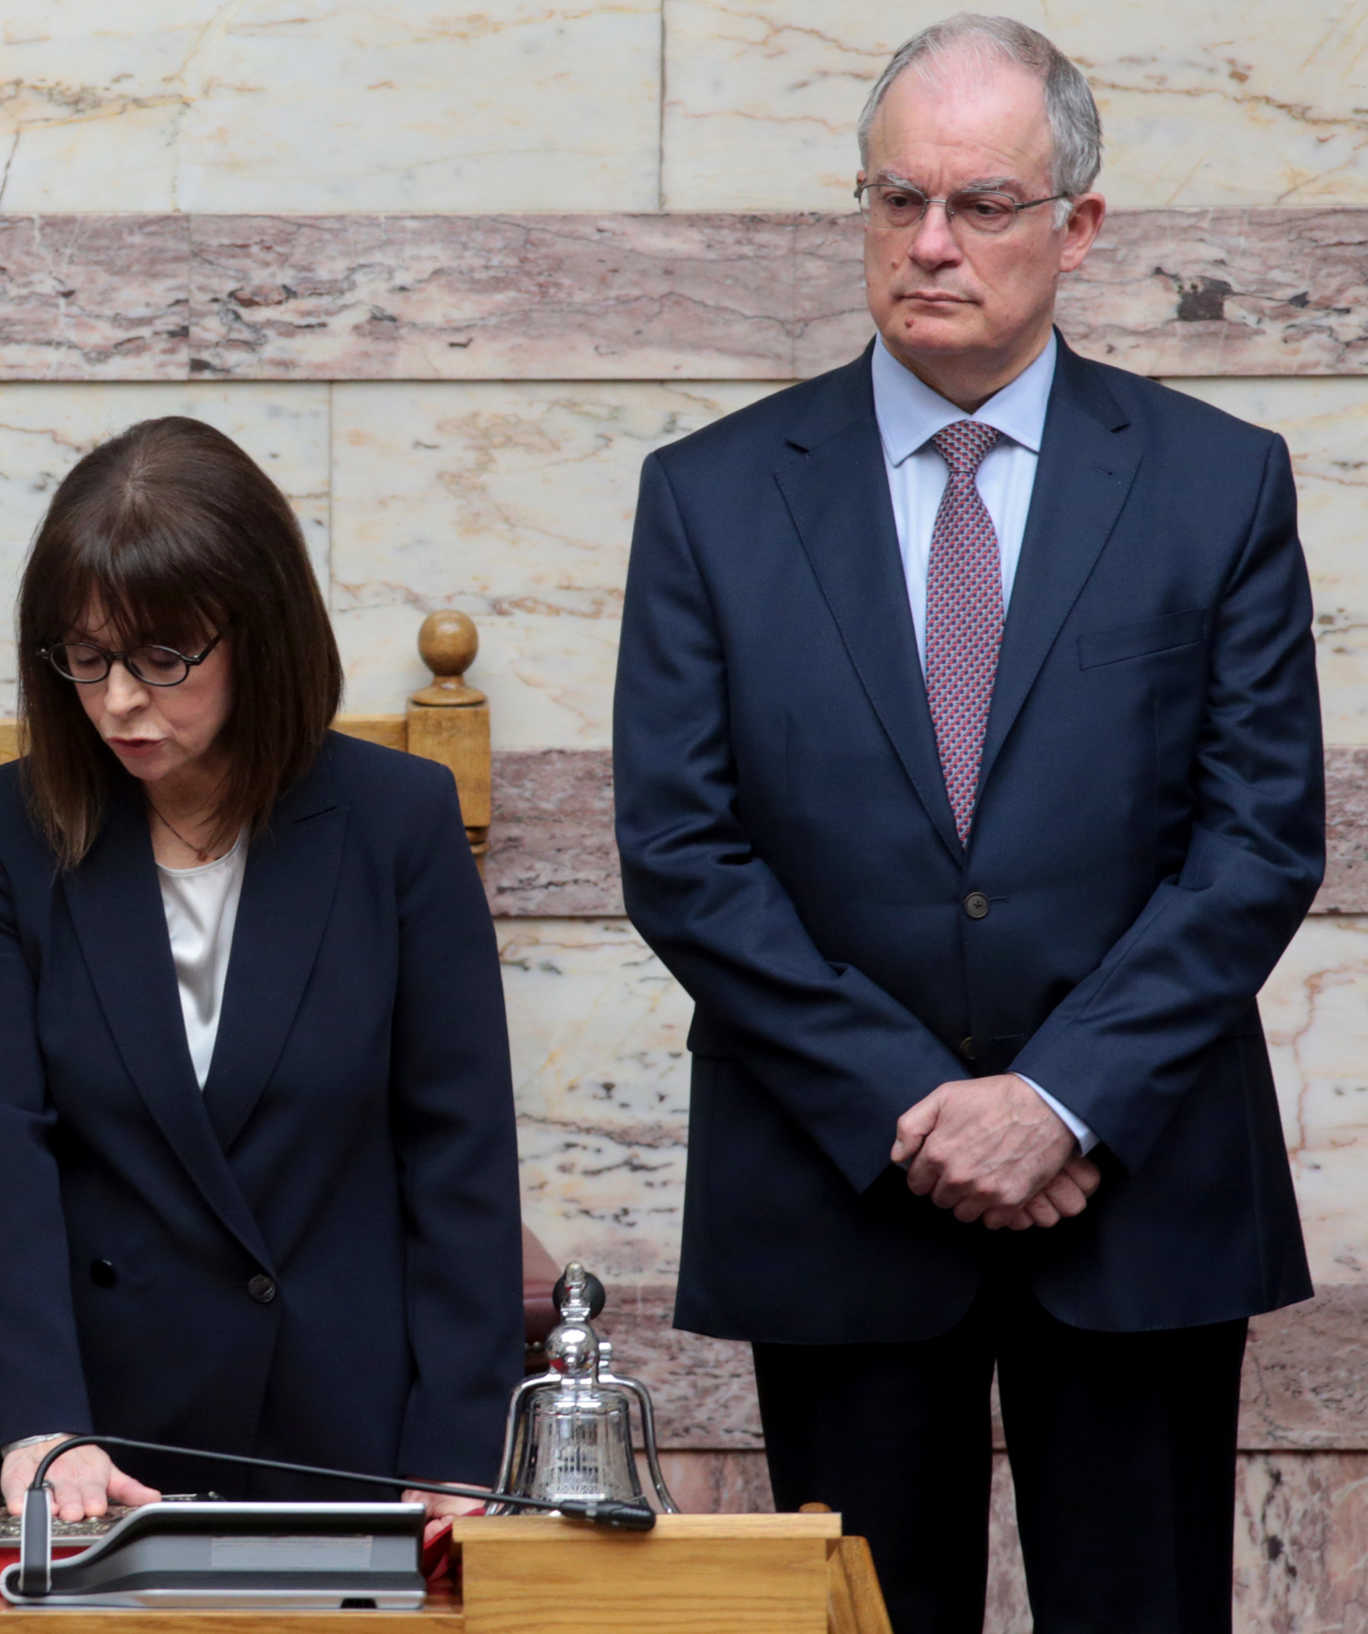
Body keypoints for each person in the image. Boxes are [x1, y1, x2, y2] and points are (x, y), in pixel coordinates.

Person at [613, 17, 1319, 1633]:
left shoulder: (1217, 483)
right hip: (840, 1192)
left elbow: (1259, 834)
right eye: (897, 198)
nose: (931, 243)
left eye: (984, 205)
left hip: (1135, 1188)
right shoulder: (710, 497)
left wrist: (1060, 1098)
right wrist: (916, 1103)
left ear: (1078, 226)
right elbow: (685, 851)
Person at [0, 416, 524, 1521]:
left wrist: (456, 1448)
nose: (121, 700)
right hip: (69, 1417)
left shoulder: (394, 823)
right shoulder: (1, 832)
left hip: (330, 1417)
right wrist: (44, 1424)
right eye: (84, 659)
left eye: (162, 657)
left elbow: (457, 1150)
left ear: (261, 631)